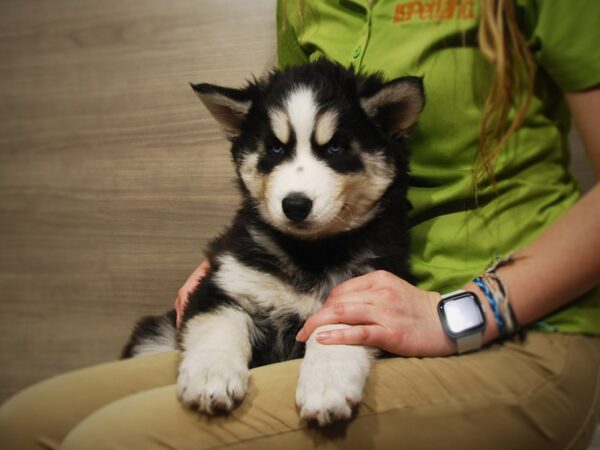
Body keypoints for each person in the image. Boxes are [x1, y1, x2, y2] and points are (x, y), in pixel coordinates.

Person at [1, 0, 599, 448]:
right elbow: (285, 129)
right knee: (24, 425)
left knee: (109, 441)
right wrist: (232, 266)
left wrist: (456, 314)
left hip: (519, 321)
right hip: (327, 301)